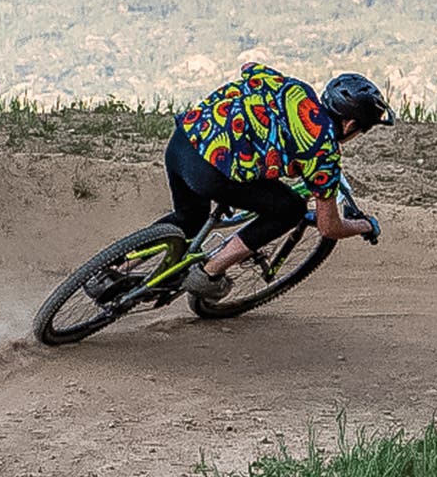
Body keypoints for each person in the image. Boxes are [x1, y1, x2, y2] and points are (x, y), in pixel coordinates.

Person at [160, 64, 392, 300]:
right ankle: (209, 273)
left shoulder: (296, 89)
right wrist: (365, 225)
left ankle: (135, 264)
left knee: (190, 219)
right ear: (350, 125)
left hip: (184, 140)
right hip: (210, 174)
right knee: (291, 209)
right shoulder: (323, 152)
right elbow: (329, 227)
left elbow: (249, 68)